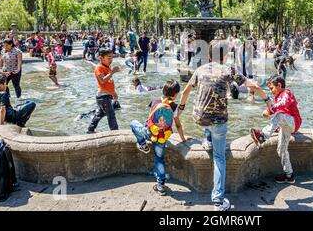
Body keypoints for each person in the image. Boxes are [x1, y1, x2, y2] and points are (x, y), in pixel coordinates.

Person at [178, 40, 272, 211]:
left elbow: (185, 92)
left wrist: (179, 110)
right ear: (226, 55)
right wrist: (267, 100)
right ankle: (218, 201)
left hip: (198, 118)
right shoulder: (228, 70)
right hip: (218, 121)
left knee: (206, 118)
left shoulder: (200, 69)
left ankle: (207, 139)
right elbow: (253, 85)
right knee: (219, 159)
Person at [129, 79, 188, 196]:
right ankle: (160, 185)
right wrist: (183, 139)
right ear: (175, 95)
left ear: (163, 90)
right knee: (159, 159)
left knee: (133, 123)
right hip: (162, 136)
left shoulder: (155, 100)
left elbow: (150, 118)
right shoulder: (174, 107)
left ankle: (142, 144)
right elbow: (178, 125)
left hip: (150, 132)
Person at [249, 76, 302, 184]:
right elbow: (278, 109)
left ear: (279, 85)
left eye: (272, 88)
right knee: (281, 149)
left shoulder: (287, 93)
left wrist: (270, 110)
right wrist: (270, 112)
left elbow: (283, 105)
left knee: (279, 116)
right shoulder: (277, 98)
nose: (271, 91)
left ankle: (262, 136)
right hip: (285, 125)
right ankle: (289, 175)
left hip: (294, 122)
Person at [87, 49, 120, 134]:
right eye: (109, 57)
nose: (111, 59)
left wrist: (114, 92)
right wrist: (112, 72)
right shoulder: (99, 68)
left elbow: (109, 81)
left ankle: (90, 129)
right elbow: (102, 81)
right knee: (111, 115)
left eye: (112, 57)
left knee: (100, 114)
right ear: (101, 58)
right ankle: (115, 133)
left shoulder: (107, 67)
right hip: (103, 96)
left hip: (106, 95)